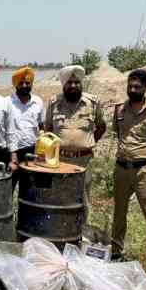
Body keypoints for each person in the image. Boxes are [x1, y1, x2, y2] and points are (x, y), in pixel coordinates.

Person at [111, 69, 146, 262]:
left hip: (144, 171)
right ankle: (116, 251)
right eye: (130, 85)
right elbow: (119, 134)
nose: (132, 89)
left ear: (145, 88)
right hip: (121, 169)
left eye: (137, 86)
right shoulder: (119, 109)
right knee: (119, 213)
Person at [45, 65, 106, 203]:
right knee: (60, 197)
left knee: (83, 200)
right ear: (63, 85)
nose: (73, 85)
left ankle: (81, 225)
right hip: (59, 160)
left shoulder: (93, 103)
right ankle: (61, 224)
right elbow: (48, 129)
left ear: (81, 84)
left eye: (77, 82)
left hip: (84, 161)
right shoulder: (54, 103)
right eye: (69, 83)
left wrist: (87, 143)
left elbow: (101, 127)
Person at [8, 66, 44, 189]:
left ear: (31, 84)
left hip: (31, 151)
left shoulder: (38, 102)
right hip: (12, 152)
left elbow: (41, 126)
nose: (24, 85)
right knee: (9, 187)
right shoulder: (7, 102)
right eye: (21, 83)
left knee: (29, 188)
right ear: (15, 85)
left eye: (27, 83)